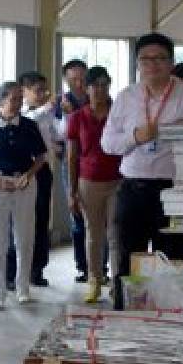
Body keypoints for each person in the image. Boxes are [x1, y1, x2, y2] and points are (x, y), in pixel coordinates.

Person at [101, 33, 183, 310]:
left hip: (175, 192)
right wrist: (137, 136)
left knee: (171, 263)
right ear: (137, 63)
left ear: (171, 63)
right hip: (133, 189)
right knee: (127, 261)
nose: (153, 65)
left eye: (160, 58)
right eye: (146, 59)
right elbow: (108, 144)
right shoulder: (126, 98)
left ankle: (169, 324)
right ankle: (124, 321)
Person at [0, 81, 48, 310]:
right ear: (2, 100)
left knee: (24, 239)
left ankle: (22, 289)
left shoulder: (29, 125)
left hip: (25, 184)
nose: (18, 102)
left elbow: (40, 157)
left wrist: (28, 175)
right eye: (14, 98)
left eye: (20, 98)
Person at [66, 66, 122, 304]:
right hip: (88, 182)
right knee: (93, 234)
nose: (100, 90)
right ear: (85, 89)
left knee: (116, 235)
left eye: (104, 84)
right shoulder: (77, 117)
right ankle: (94, 281)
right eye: (94, 85)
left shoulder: (118, 114)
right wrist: (72, 191)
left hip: (118, 181)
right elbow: (71, 156)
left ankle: (118, 283)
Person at [5, 71, 55, 291]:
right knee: (14, 225)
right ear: (23, 92)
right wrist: (47, 108)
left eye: (45, 90)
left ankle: (37, 270)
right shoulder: (21, 115)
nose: (43, 95)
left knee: (41, 221)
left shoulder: (49, 114)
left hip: (41, 170)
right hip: (19, 174)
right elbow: (27, 122)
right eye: (37, 91)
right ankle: (11, 273)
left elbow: (57, 134)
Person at [54, 59, 90, 282]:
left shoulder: (98, 99)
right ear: (66, 80)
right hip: (70, 162)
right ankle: (82, 266)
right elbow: (54, 133)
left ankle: (99, 266)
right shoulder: (58, 103)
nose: (78, 83)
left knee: (98, 218)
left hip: (95, 162)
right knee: (76, 213)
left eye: (82, 78)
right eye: (73, 79)